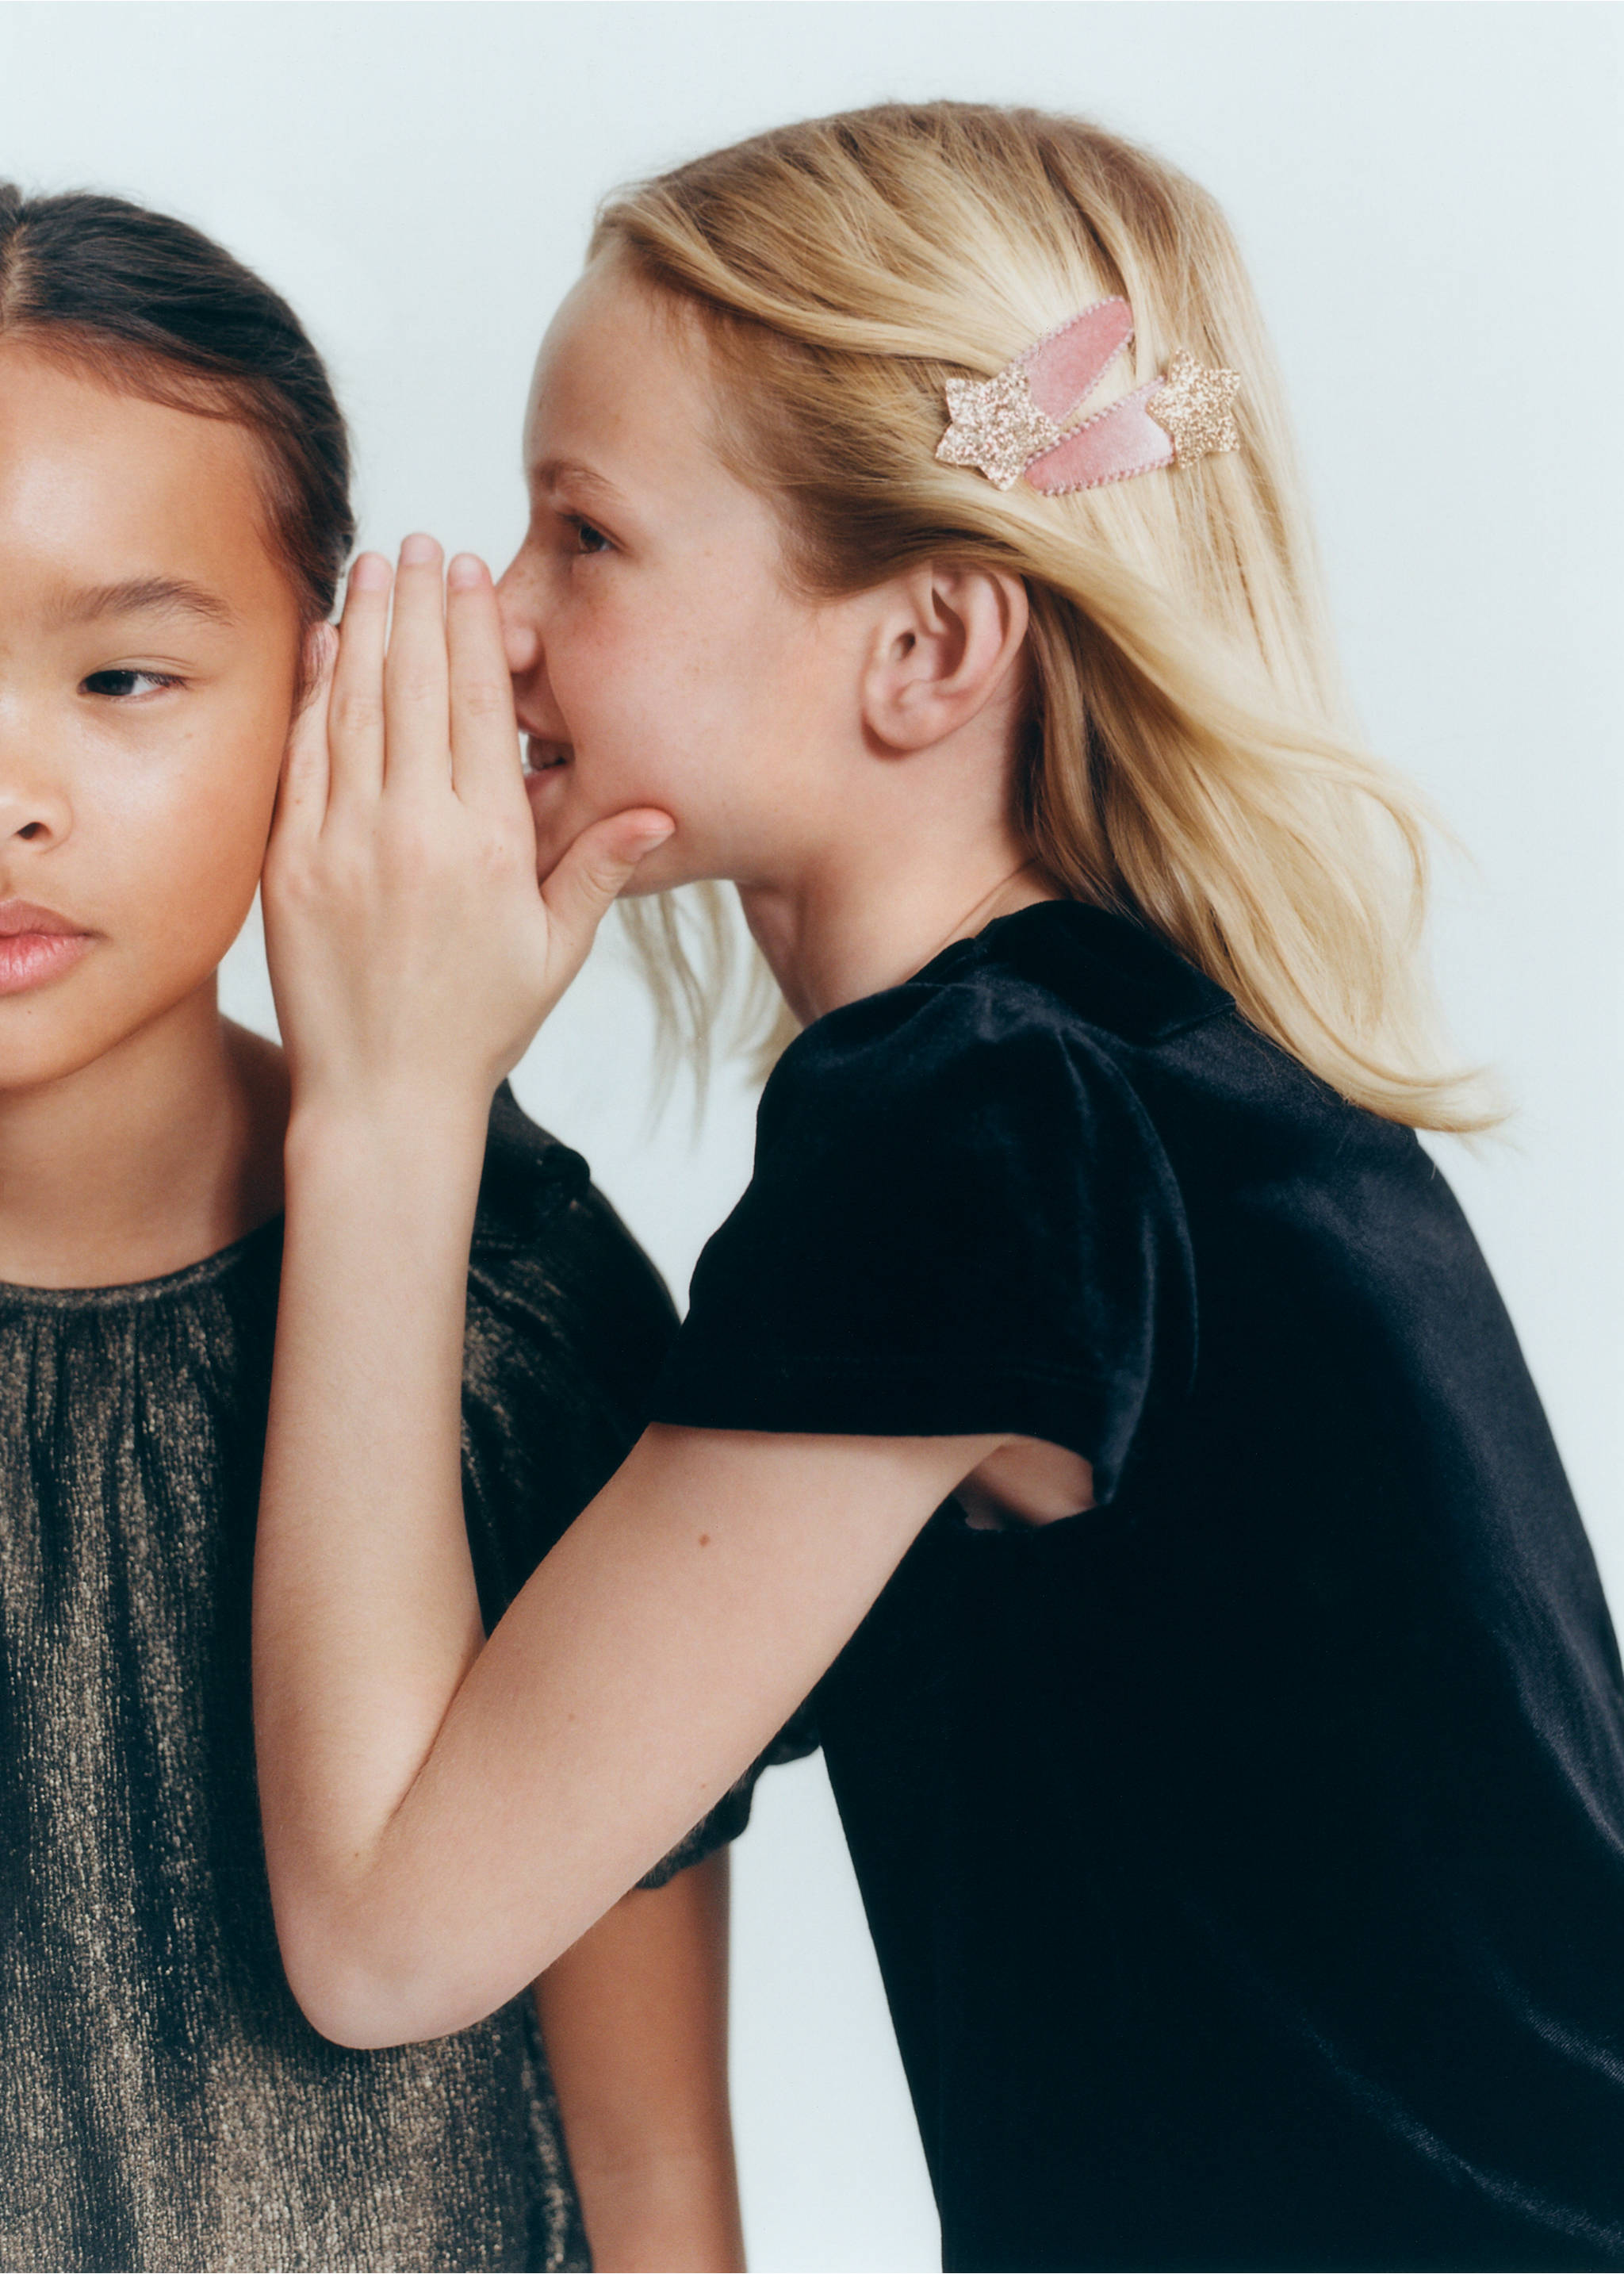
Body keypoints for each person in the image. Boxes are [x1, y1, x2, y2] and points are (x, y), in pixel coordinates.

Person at [249, 104, 1624, 2274]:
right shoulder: (1121, 1067)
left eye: (582, 537)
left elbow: (384, 1929)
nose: (499, 621)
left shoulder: (983, 1133)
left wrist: (386, 1101)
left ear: (929, 648)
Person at [0, 185, 750, 2274]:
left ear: (321, 693)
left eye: (124, 674)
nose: (9, 794)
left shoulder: (520, 1300)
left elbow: (655, 2158)